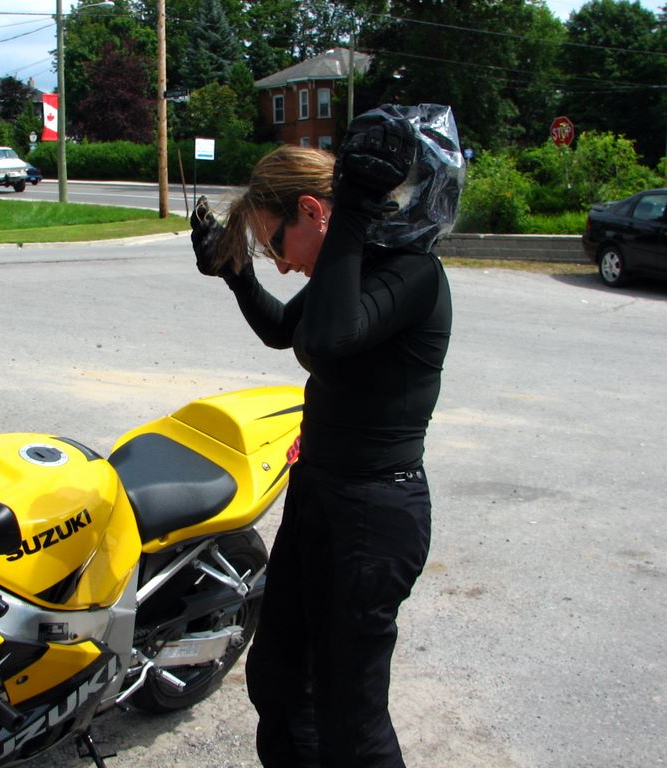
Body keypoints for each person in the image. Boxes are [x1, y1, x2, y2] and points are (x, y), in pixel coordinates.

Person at [189, 106, 461, 767]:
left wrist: (356, 213)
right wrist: (236, 273)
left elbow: (327, 341)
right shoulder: (351, 265)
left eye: (275, 245)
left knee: (351, 721)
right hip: (320, 496)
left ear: (313, 212)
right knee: (280, 681)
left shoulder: (412, 273)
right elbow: (288, 329)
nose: (281, 266)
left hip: (375, 512)